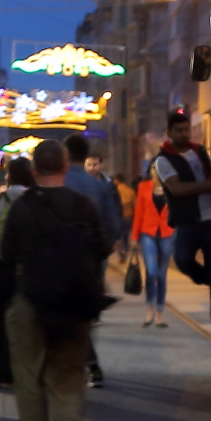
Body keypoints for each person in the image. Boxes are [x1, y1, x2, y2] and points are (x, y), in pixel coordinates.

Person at [2, 139, 109, 421]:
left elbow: (6, 255)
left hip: (29, 299)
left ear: (34, 171)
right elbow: (101, 248)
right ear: (66, 166)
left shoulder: (21, 207)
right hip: (73, 303)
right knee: (68, 372)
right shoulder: (83, 205)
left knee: (28, 377)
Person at [64, 135, 121, 388]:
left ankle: (75, 364)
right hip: (90, 259)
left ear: (66, 154)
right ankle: (91, 365)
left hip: (61, 258)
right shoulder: (98, 185)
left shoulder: (58, 183)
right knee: (84, 315)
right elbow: (113, 223)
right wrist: (103, 251)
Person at [153, 110, 211, 323]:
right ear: (169, 132)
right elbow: (177, 189)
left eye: (186, 129)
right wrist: (209, 185)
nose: (184, 134)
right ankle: (206, 279)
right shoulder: (163, 160)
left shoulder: (198, 150)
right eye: (179, 131)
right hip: (187, 220)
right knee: (182, 259)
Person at [0, 156, 34, 384]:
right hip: (27, 268)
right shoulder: (34, 199)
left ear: (8, 175)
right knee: (26, 318)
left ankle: (2, 370)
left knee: (1, 316)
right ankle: (24, 367)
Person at [130, 151, 174, 327]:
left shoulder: (172, 188)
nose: (156, 171)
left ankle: (160, 313)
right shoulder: (143, 187)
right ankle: (149, 308)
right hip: (147, 232)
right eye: (154, 168)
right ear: (150, 170)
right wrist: (134, 236)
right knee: (152, 271)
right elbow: (138, 213)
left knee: (162, 275)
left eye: (159, 168)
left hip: (167, 233)